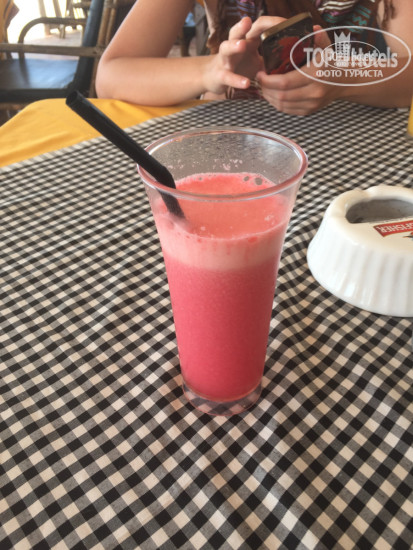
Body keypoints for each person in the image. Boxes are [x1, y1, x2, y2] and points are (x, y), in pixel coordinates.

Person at [95, 1, 413, 115]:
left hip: (353, 141)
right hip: (230, 139)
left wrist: (343, 76)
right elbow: (113, 74)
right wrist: (214, 70)